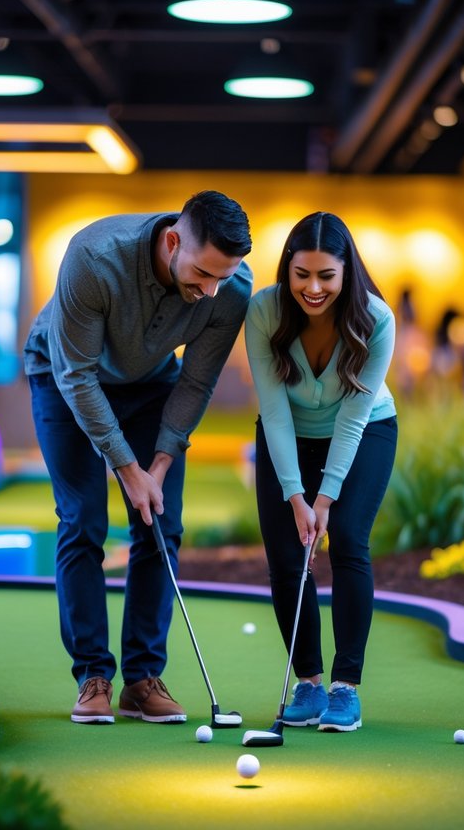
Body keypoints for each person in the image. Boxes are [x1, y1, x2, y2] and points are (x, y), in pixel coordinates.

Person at [24, 190, 253, 725]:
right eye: (201, 274)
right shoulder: (92, 259)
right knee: (82, 519)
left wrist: (160, 464)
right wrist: (127, 469)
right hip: (64, 377)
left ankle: (143, 679)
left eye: (222, 277)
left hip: (151, 385)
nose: (209, 291)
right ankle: (93, 677)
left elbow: (197, 381)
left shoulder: (230, 288)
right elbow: (77, 377)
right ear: (173, 241)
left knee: (161, 524)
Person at [245, 212, 398, 733]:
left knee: (349, 541)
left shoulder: (376, 320)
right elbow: (274, 411)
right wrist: (295, 496)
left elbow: (354, 416)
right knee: (287, 556)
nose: (313, 288)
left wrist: (326, 498)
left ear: (346, 272)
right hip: (287, 434)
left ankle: (345, 689)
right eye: (302, 274)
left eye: (326, 276)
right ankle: (308, 684)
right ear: (287, 269)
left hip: (364, 431)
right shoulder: (264, 311)